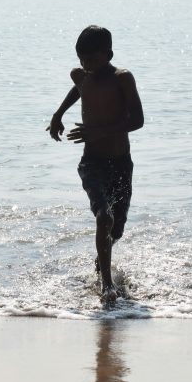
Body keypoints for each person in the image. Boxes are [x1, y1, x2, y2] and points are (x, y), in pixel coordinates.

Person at [47, 26, 144, 305]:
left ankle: (102, 258)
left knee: (116, 229)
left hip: (121, 163)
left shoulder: (122, 79)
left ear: (108, 54)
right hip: (92, 163)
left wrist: (98, 131)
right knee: (104, 216)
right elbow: (80, 87)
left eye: (90, 59)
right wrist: (58, 114)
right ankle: (107, 285)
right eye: (80, 59)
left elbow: (137, 120)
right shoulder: (81, 76)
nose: (84, 66)